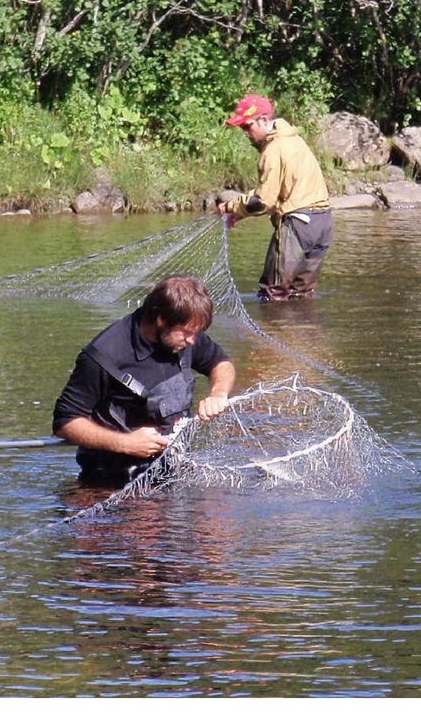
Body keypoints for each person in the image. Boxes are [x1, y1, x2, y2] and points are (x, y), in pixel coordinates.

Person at [53, 275, 235, 484]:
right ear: (161, 320)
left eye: (196, 334)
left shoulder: (186, 334)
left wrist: (218, 394)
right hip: (113, 479)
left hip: (171, 470)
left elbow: (221, 363)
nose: (192, 341)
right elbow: (65, 422)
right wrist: (125, 443)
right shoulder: (104, 355)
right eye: (186, 333)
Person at [217, 94, 333, 301]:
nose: (245, 133)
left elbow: (263, 201)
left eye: (247, 126)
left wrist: (230, 208)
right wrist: (241, 213)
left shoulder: (273, 149)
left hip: (298, 225)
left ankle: (273, 331)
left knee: (272, 293)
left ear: (263, 120)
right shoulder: (295, 141)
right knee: (301, 293)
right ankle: (305, 332)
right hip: (322, 223)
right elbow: (282, 192)